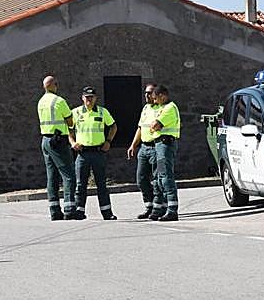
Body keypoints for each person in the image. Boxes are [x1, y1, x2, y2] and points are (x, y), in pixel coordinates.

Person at [71, 86, 118, 221]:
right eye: (87, 97)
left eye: (91, 97)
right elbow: (68, 129)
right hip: (82, 153)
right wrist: (73, 142)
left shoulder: (103, 112)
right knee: (80, 184)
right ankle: (79, 212)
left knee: (101, 184)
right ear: (82, 98)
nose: (89, 100)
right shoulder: (76, 112)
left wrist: (108, 141)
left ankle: (107, 212)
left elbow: (113, 126)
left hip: (98, 152)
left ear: (96, 98)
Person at [37, 75, 77, 221]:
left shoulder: (41, 101)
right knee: (68, 174)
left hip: (45, 140)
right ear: (54, 85)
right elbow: (70, 120)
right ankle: (69, 209)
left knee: (51, 176)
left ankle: (54, 210)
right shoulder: (59, 101)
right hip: (58, 140)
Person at [148, 84, 181, 222]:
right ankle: (163, 207)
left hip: (165, 144)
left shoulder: (169, 108)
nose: (154, 101)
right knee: (160, 177)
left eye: (156, 98)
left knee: (166, 176)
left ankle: (172, 210)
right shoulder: (162, 108)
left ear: (162, 96)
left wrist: (154, 127)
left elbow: (155, 125)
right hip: (160, 144)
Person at [126, 83, 159, 220]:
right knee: (141, 179)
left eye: (149, 92)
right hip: (144, 148)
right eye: (145, 92)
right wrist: (133, 145)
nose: (146, 95)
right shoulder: (145, 108)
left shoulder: (162, 108)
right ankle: (149, 205)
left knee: (157, 180)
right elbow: (140, 128)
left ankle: (159, 207)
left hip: (156, 147)